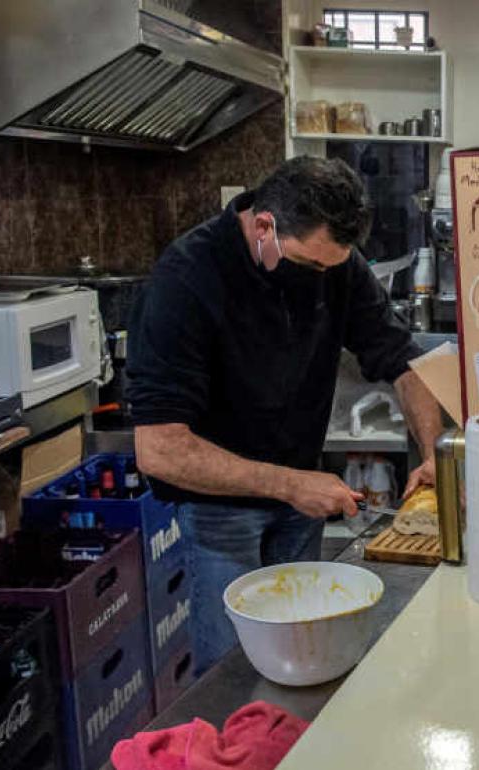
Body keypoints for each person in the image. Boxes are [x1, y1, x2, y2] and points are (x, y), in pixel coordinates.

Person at [126, 156, 442, 672]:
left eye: (332, 267)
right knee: (233, 669)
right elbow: (160, 450)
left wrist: (432, 455)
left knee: (303, 655)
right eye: (310, 265)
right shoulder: (187, 279)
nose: (322, 278)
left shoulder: (334, 264)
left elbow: (403, 363)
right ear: (264, 225)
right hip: (219, 513)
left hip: (300, 505)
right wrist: (292, 484)